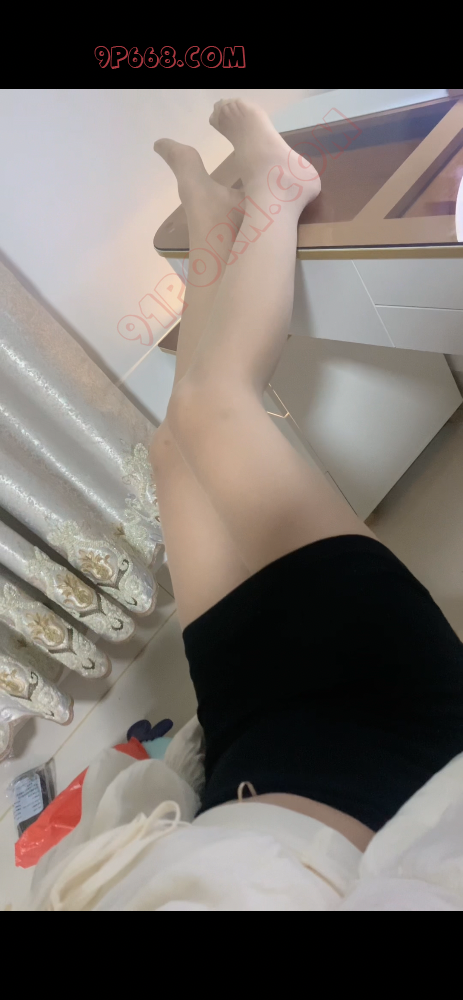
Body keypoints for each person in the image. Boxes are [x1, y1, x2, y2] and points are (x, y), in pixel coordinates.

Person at [22, 99, 463, 911]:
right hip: (387, 737)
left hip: (244, 745)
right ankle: (276, 189)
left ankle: (216, 221)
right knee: (211, 404)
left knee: (171, 447)